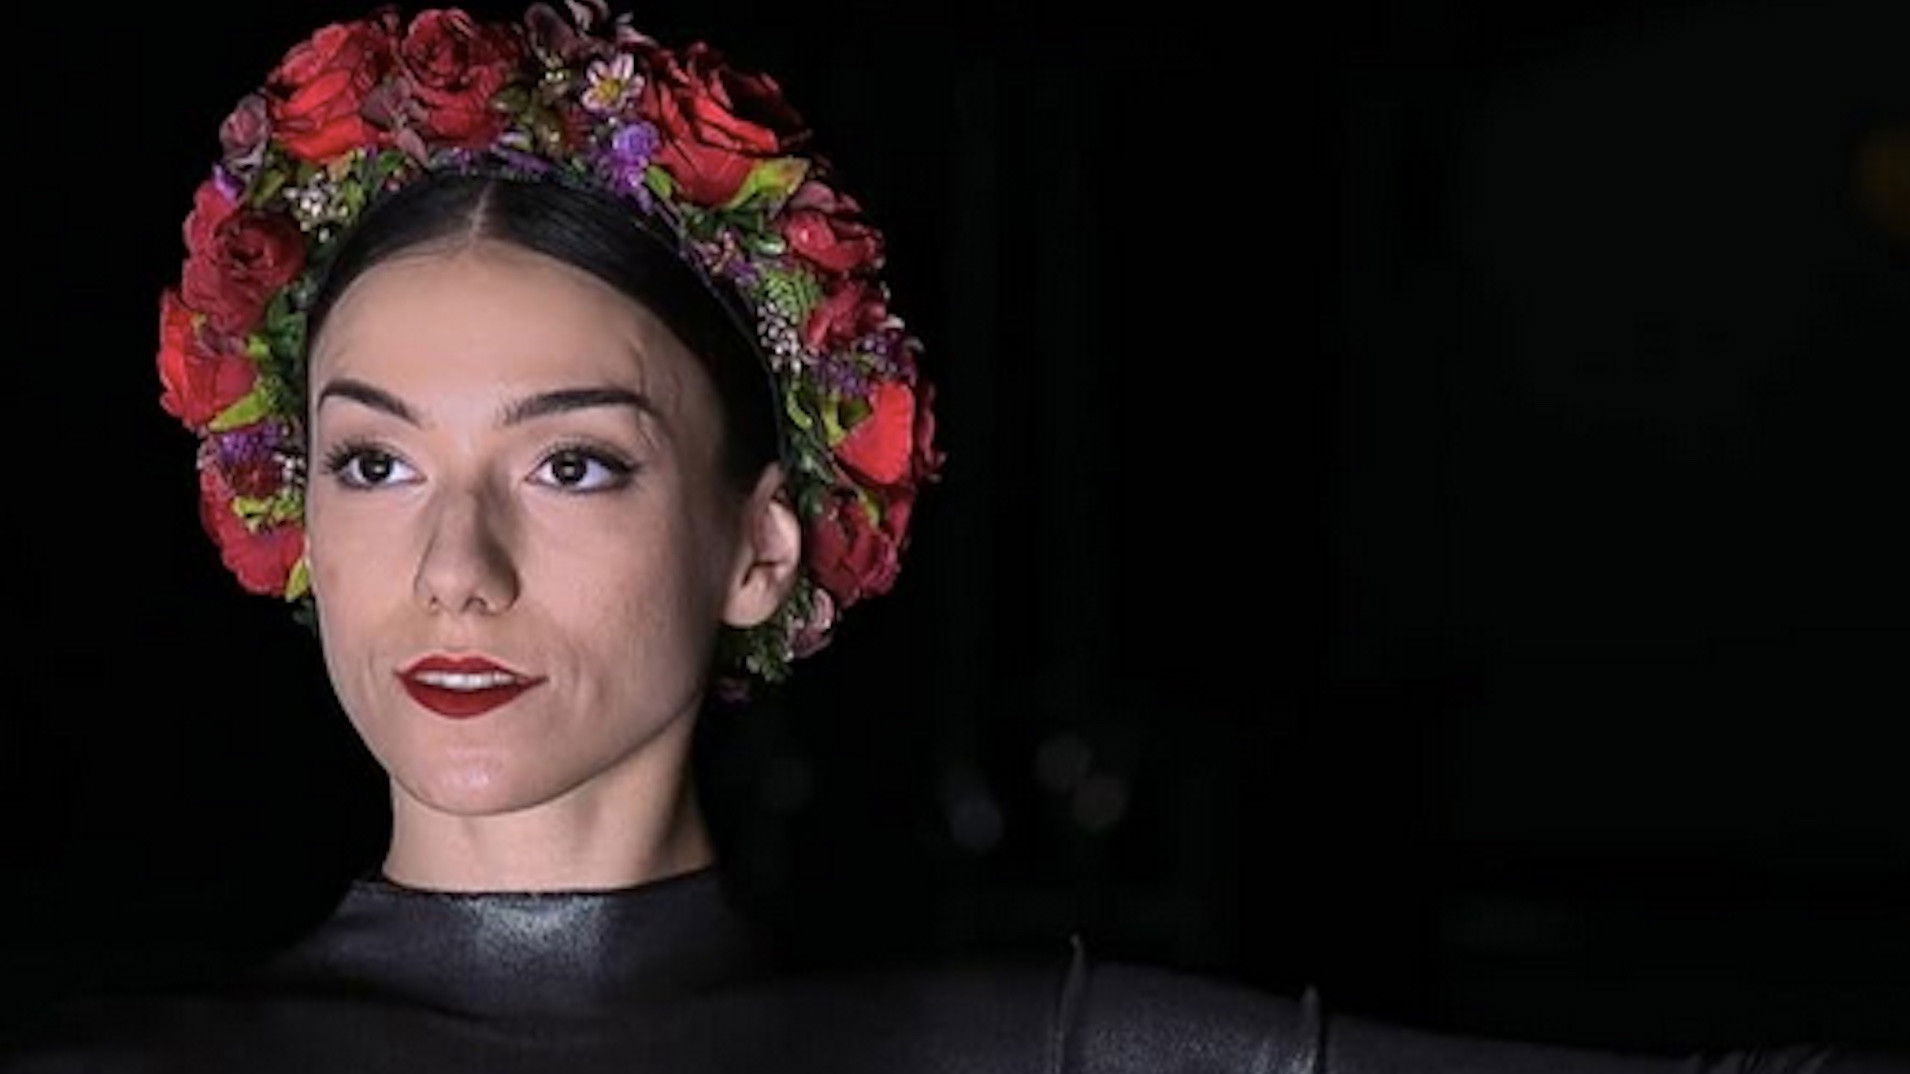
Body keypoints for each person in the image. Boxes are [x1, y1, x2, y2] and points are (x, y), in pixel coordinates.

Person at [6, 3, 1904, 1071]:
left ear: (763, 545)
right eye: (376, 463)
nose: (454, 568)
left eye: (572, 464)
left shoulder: (1068, 1048)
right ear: (293, 512)